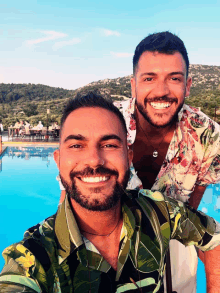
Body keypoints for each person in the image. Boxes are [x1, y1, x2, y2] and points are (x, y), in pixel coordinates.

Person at [0, 93, 220, 293]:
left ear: (129, 157)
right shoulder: (33, 258)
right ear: (58, 161)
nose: (94, 160)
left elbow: (215, 240)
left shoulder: (157, 212)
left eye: (109, 145)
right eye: (77, 145)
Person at [113, 31, 220, 293]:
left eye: (174, 79)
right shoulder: (106, 122)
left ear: (188, 84)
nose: (161, 91)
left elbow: (191, 212)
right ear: (133, 84)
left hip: (176, 251)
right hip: (109, 250)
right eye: (149, 78)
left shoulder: (208, 135)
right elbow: (70, 200)